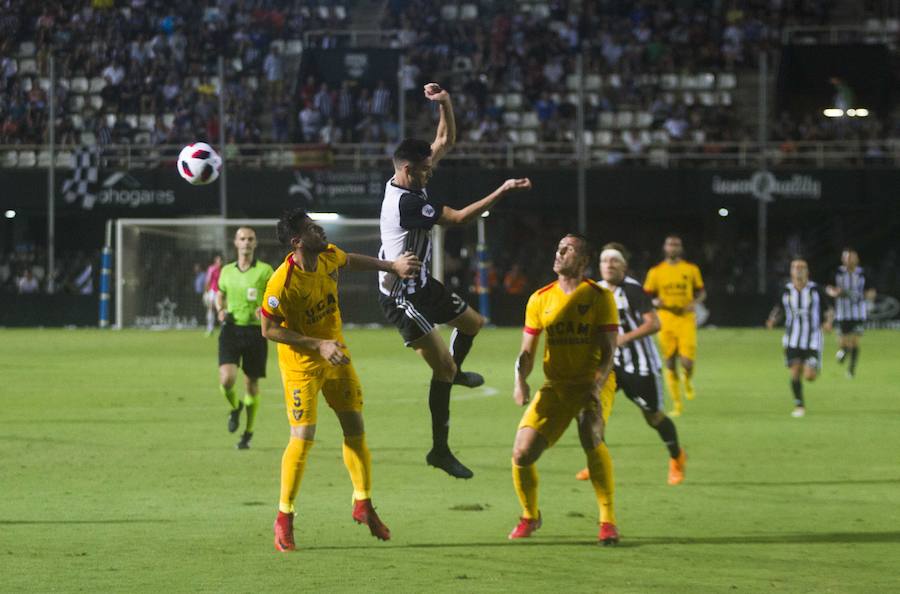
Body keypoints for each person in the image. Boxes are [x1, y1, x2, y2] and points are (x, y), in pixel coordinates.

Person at [377, 82, 532, 479]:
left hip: (421, 281)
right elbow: (461, 218)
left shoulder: (408, 178)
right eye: (426, 169)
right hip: (400, 295)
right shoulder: (408, 202)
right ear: (408, 170)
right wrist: (503, 189)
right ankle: (439, 450)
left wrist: (444, 102)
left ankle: (454, 373)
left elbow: (444, 138)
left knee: (473, 324)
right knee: (442, 369)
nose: (431, 172)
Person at [262, 208, 421, 552]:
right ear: (296, 241)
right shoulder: (281, 283)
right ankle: (284, 517)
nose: (318, 230)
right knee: (303, 438)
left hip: (336, 355)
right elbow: (269, 329)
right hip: (302, 366)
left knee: (355, 427)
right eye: (310, 229)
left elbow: (351, 261)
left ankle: (363, 503)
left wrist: (392, 266)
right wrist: (317, 344)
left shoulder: (328, 256)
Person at [508, 234, 620, 544]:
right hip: (556, 387)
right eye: (558, 247)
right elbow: (527, 352)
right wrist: (520, 379)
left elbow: (610, 351)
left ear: (583, 260)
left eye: (567, 249)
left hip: (592, 383)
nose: (558, 252)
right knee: (521, 453)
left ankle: (607, 522)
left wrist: (596, 386)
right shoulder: (540, 298)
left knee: (590, 433)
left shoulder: (599, 297)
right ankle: (530, 516)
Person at [574, 243, 687, 486]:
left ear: (624, 266)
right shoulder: (595, 290)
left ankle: (677, 457)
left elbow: (654, 323)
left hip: (640, 365)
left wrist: (623, 338)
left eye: (614, 261)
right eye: (605, 261)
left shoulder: (633, 290)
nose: (609, 265)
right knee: (593, 412)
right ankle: (595, 463)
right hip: (608, 366)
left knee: (653, 417)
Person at [215, 227, 275, 450]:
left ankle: (248, 432)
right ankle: (235, 406)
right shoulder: (226, 271)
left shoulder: (266, 271)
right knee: (226, 380)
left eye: (250, 239)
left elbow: (275, 296)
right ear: (236, 243)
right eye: (242, 239)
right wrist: (220, 309)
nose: (246, 242)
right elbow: (219, 293)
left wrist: (266, 309)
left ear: (255, 243)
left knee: (251, 383)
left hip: (255, 332)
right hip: (231, 329)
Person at [643, 234, 705, 417]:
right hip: (666, 319)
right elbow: (646, 296)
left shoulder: (691, 269)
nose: (673, 247)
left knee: (686, 361)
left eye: (676, 245)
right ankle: (677, 404)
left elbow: (702, 292)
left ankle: (687, 379)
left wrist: (696, 302)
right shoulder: (656, 271)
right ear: (665, 248)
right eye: (670, 244)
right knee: (669, 361)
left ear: (681, 248)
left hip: (686, 318)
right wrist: (655, 302)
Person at [766, 257, 833, 417]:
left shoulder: (816, 290)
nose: (798, 270)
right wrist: (772, 319)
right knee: (795, 371)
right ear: (791, 271)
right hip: (792, 338)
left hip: (813, 339)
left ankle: (813, 366)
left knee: (809, 376)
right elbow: (779, 308)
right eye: (795, 267)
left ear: (807, 271)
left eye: (801, 267)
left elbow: (829, 309)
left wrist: (828, 322)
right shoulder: (786, 290)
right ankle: (799, 405)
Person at [826, 248, 871, 378]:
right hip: (842, 313)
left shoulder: (863, 273)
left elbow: (871, 290)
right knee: (843, 342)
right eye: (847, 257)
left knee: (855, 341)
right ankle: (843, 351)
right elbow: (828, 288)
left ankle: (851, 369)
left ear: (857, 259)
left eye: (852, 257)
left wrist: (868, 295)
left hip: (858, 313)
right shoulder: (837, 272)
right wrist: (834, 292)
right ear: (842, 259)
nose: (849, 260)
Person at [203, 254, 223, 336]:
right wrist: (206, 292)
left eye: (221, 260)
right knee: (210, 309)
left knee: (221, 310)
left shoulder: (223, 270)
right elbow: (208, 280)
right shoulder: (212, 269)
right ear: (215, 261)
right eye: (218, 260)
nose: (220, 262)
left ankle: (223, 329)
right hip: (213, 292)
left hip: (221, 292)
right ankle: (210, 329)